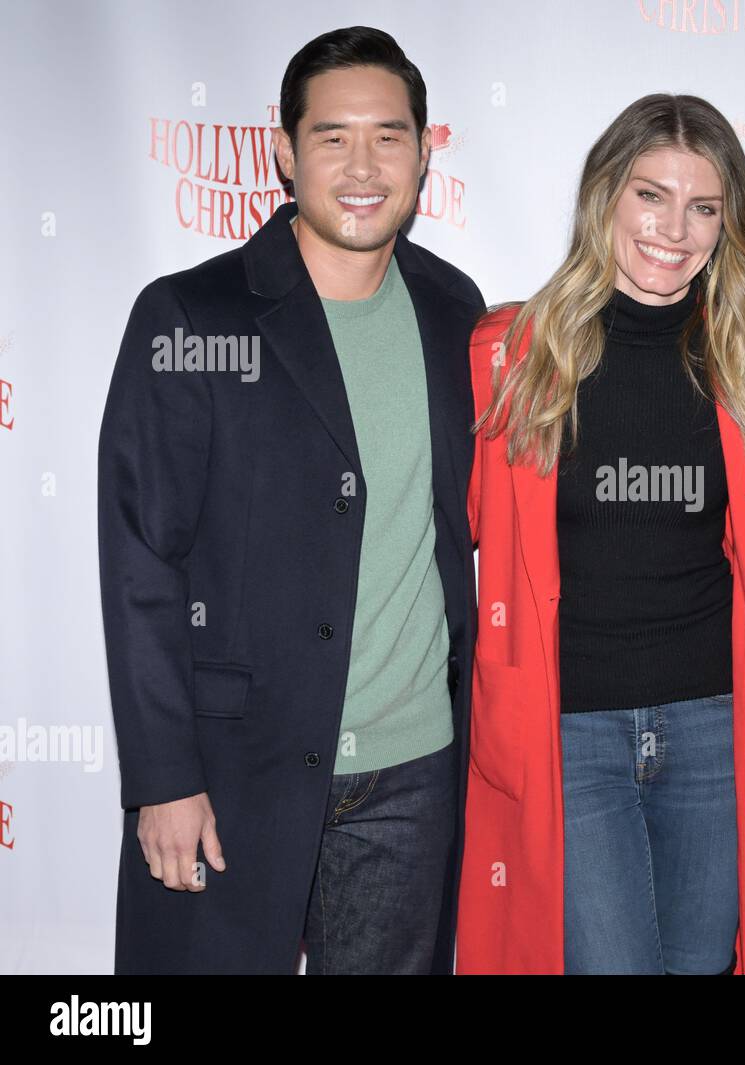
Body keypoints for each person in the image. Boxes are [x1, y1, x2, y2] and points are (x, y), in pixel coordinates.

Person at [98, 26, 482, 973]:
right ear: (282, 148)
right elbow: (142, 562)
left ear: (425, 152)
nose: (362, 166)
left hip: (413, 770)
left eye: (389, 136)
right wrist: (163, 778)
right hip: (235, 774)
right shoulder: (192, 315)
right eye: (332, 136)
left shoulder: (454, 310)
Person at [454, 93, 745, 975]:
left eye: (704, 207)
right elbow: (445, 515)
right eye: (651, 196)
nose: (675, 229)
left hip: (714, 721)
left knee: (703, 964)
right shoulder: (509, 355)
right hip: (567, 728)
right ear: (604, 199)